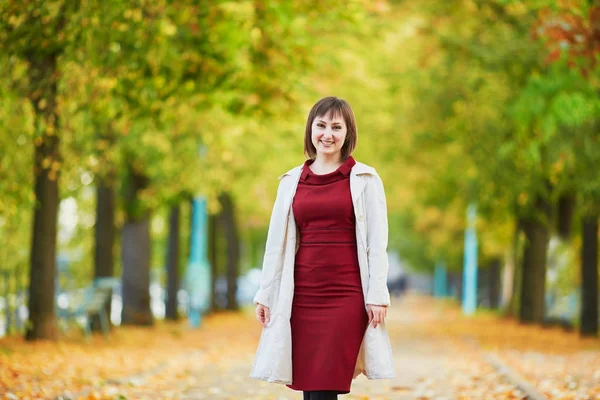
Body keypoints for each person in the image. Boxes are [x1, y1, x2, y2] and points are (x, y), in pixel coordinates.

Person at [249, 96, 395, 399]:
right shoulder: (292, 181)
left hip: (346, 294)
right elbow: (275, 245)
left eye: (336, 127)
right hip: (301, 295)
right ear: (310, 130)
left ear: (347, 133)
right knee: (311, 384)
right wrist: (266, 293)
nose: (327, 134)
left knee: (325, 384)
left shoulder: (365, 179)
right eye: (321, 125)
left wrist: (378, 294)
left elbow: (377, 244)